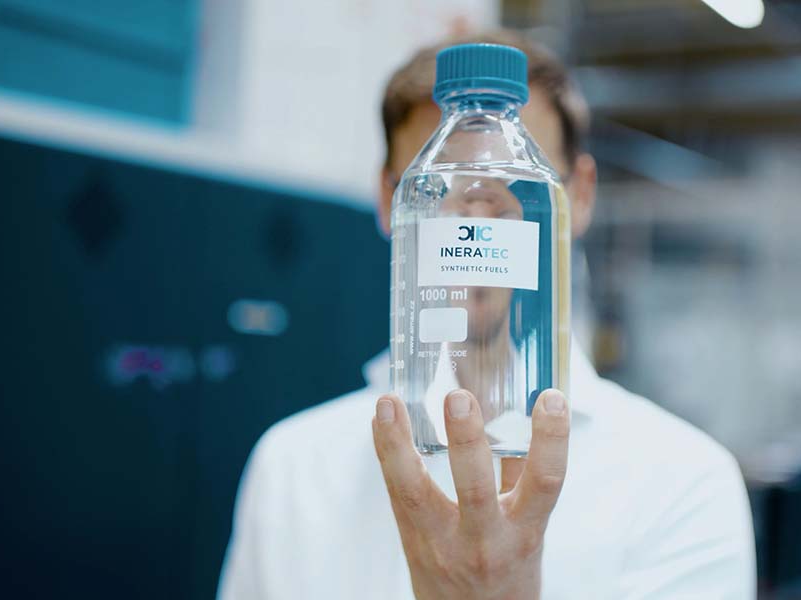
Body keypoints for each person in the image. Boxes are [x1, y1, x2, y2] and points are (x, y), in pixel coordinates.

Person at [218, 30, 756, 599]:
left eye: (508, 195)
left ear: (579, 197)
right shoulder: (290, 468)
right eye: (440, 193)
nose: (471, 225)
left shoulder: (684, 482)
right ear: (391, 200)